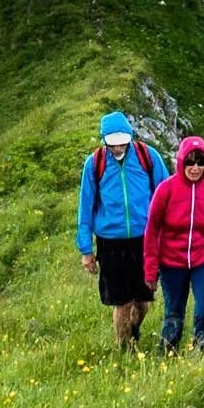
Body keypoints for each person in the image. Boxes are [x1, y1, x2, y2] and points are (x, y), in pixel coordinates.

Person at [76, 111, 168, 350]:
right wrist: (86, 251)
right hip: (111, 244)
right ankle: (124, 348)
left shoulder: (149, 157)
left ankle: (134, 331)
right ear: (104, 140)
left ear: (130, 137)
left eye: (122, 143)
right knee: (122, 303)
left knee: (144, 301)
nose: (117, 148)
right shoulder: (94, 164)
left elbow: (166, 195)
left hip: (144, 240)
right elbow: (85, 208)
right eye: (112, 144)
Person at [142, 135, 204, 354]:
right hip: (171, 261)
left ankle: (202, 350)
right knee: (173, 312)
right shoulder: (165, 190)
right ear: (181, 162)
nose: (195, 167)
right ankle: (167, 353)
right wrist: (150, 270)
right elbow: (151, 231)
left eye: (200, 162)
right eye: (190, 162)